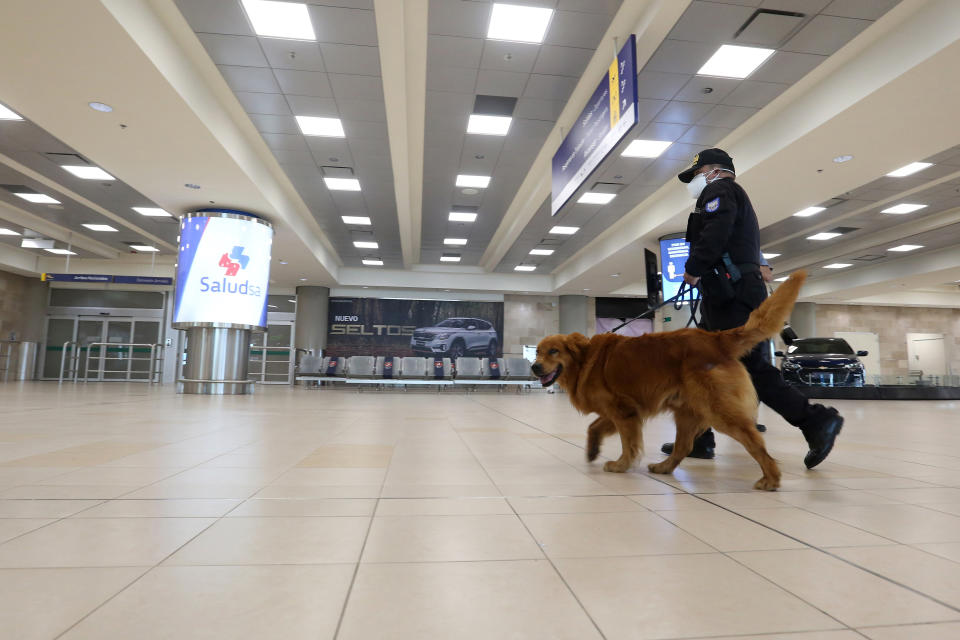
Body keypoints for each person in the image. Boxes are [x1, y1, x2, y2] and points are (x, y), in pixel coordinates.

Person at [660, 148, 842, 469]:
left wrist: (695, 266)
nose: (693, 182)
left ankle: (815, 421)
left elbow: (716, 232)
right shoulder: (728, 192)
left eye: (696, 175)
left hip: (733, 296)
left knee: (749, 368)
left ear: (713, 171)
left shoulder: (719, 190)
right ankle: (698, 438)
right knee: (699, 365)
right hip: (727, 293)